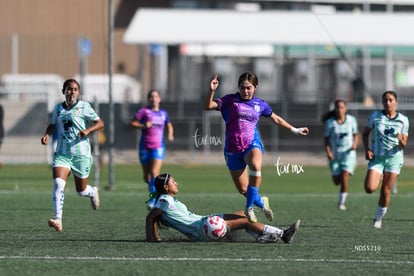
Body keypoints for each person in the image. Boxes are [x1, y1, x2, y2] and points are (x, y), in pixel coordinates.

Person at [204, 72, 309, 223]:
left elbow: (276, 118)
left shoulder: (260, 104)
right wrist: (211, 90)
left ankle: (249, 207)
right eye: (242, 88)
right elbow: (208, 106)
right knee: (243, 190)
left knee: (255, 164)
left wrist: (295, 129)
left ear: (255, 87)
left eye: (249, 88)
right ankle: (261, 202)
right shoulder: (229, 100)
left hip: (251, 143)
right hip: (232, 149)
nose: (245, 91)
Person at [146, 173, 301, 243]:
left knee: (242, 214)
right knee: (246, 220)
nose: (176, 183)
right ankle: (283, 234)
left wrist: (154, 237)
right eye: (173, 181)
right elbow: (151, 217)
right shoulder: (165, 200)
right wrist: (152, 238)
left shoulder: (166, 199)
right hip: (202, 228)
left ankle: (262, 237)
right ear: (166, 187)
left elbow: (154, 217)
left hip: (201, 224)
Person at [41, 79, 104, 232]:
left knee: (80, 190)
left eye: (75, 89)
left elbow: (100, 123)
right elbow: (52, 124)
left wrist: (88, 131)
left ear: (78, 92)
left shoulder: (84, 107)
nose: (72, 92)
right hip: (63, 153)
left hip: (81, 155)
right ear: (64, 91)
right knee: (58, 183)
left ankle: (92, 191)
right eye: (69, 89)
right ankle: (58, 219)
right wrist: (47, 134)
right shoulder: (58, 109)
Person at [362, 90, 409, 229]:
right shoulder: (375, 116)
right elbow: (365, 135)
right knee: (369, 188)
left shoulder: (403, 120)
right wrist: (367, 150)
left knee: (386, 190)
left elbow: (404, 143)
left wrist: (401, 141)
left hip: (394, 158)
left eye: (390, 100)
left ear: (396, 102)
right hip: (377, 157)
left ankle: (378, 218)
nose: (388, 103)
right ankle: (380, 174)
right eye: (385, 100)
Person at [130, 89, 174, 210]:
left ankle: (153, 200)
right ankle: (155, 191)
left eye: (156, 96)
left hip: (158, 146)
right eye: (151, 97)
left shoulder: (163, 113)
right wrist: (143, 125)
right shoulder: (144, 111)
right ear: (149, 99)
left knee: (154, 173)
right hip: (144, 146)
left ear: (159, 99)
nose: (154, 99)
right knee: (147, 177)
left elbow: (169, 125)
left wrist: (170, 134)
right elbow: (132, 123)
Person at [322, 99, 359, 211]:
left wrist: (355, 144)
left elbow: (356, 134)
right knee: (336, 181)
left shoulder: (351, 120)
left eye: (342, 107)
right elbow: (326, 139)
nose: (339, 109)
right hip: (335, 155)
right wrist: (328, 152)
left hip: (348, 154)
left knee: (345, 176)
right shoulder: (330, 123)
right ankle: (341, 188)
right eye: (337, 107)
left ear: (345, 109)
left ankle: (341, 202)